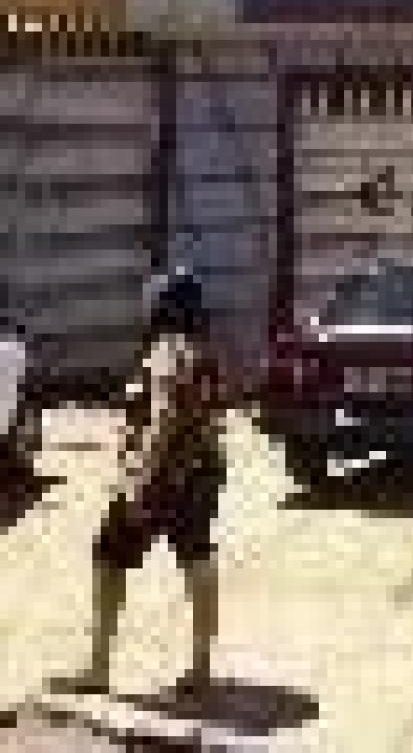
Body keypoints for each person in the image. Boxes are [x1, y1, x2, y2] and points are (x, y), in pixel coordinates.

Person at [59, 267, 225, 700]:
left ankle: (98, 668)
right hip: (201, 470)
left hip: (161, 476)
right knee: (198, 559)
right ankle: (202, 667)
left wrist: (141, 479)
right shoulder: (202, 353)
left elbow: (162, 417)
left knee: (108, 557)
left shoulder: (167, 351)